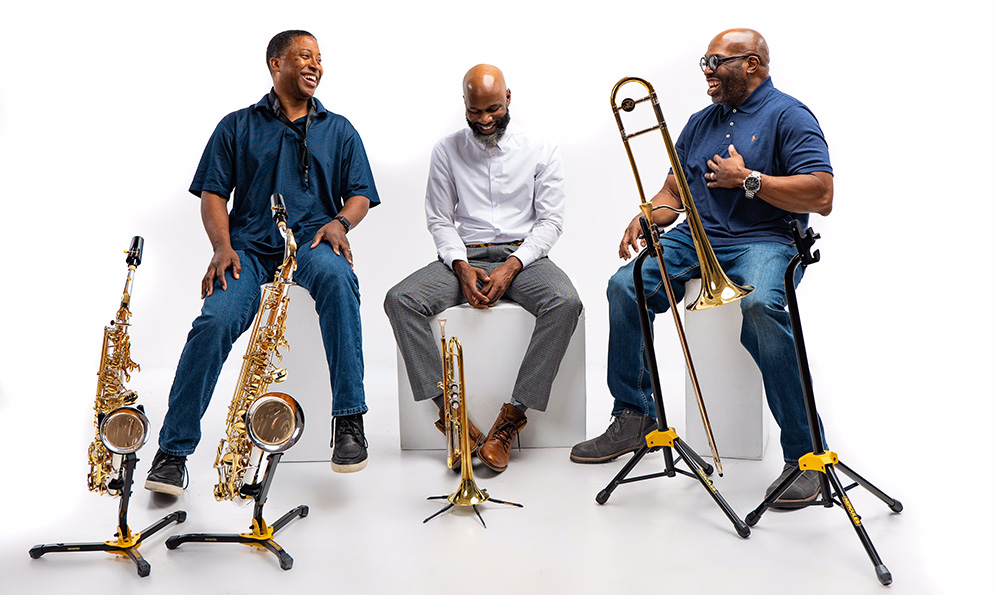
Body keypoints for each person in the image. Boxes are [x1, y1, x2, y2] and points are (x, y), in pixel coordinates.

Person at [570, 29, 834, 509]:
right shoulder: (698, 123)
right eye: (703, 62)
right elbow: (675, 193)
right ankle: (635, 414)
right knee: (624, 286)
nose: (706, 71)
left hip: (766, 240)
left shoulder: (790, 116)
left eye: (715, 61)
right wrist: (649, 212)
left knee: (761, 306)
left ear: (751, 64)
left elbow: (822, 194)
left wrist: (749, 180)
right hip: (698, 238)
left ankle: (805, 456)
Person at [145, 30, 380, 496]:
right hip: (248, 248)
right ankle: (172, 453)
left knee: (338, 280)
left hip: (312, 239)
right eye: (304, 57)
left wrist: (340, 223)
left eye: (319, 59)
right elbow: (212, 194)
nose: (315, 66)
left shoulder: (340, 129)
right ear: (276, 65)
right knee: (214, 322)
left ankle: (349, 422)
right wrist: (221, 246)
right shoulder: (236, 125)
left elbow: (359, 195)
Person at [384, 64, 582, 473]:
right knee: (400, 299)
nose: (485, 119)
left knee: (565, 302)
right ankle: (454, 420)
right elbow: (439, 219)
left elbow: (550, 222)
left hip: (524, 257)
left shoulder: (541, 148)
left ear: (509, 98)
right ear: (464, 105)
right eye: (476, 112)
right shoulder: (446, 149)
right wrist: (459, 265)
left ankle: (511, 419)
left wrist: (512, 265)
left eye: (493, 108)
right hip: (465, 253)